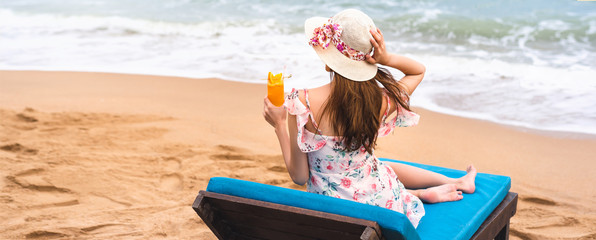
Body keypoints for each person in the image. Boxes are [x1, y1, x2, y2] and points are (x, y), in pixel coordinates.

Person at [262, 9, 476, 228]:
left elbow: (299, 177)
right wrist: (387, 58)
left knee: (374, 166)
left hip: (332, 212)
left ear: (328, 60)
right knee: (375, 167)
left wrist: (279, 124)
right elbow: (417, 71)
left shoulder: (301, 102)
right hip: (381, 201)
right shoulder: (380, 101)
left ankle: (430, 189)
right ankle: (445, 185)